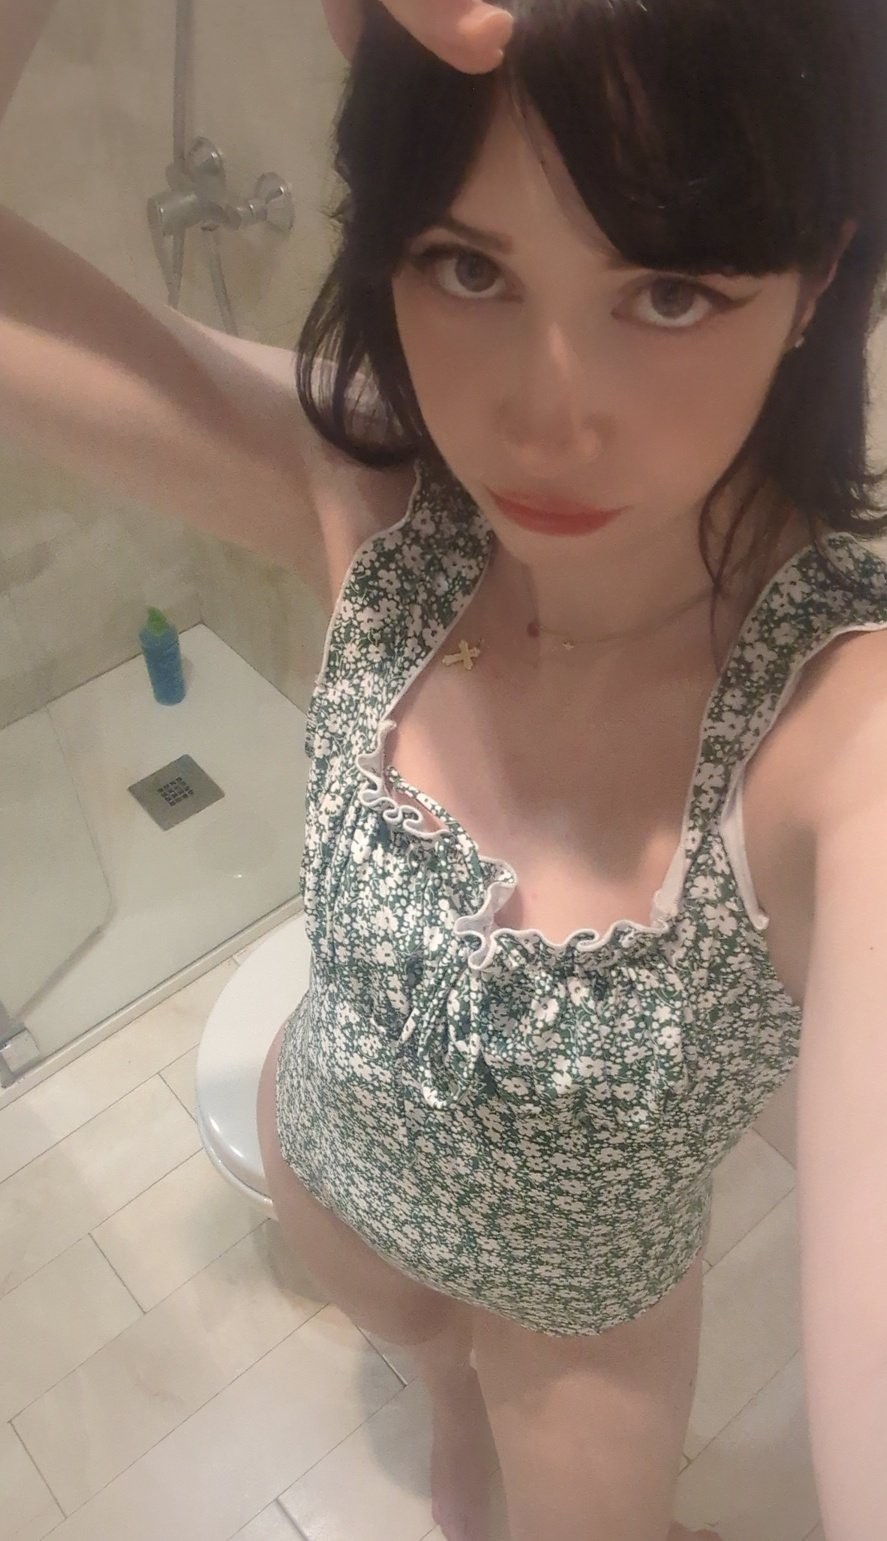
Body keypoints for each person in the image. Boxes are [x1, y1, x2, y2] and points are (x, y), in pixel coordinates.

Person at [2, 3, 887, 1540]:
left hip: (575, 1335)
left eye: (668, 290)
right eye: (469, 266)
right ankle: (445, 1394)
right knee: (427, 1371)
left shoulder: (839, 728)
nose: (547, 412)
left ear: (815, 277)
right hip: (333, 1172)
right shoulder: (364, 498)